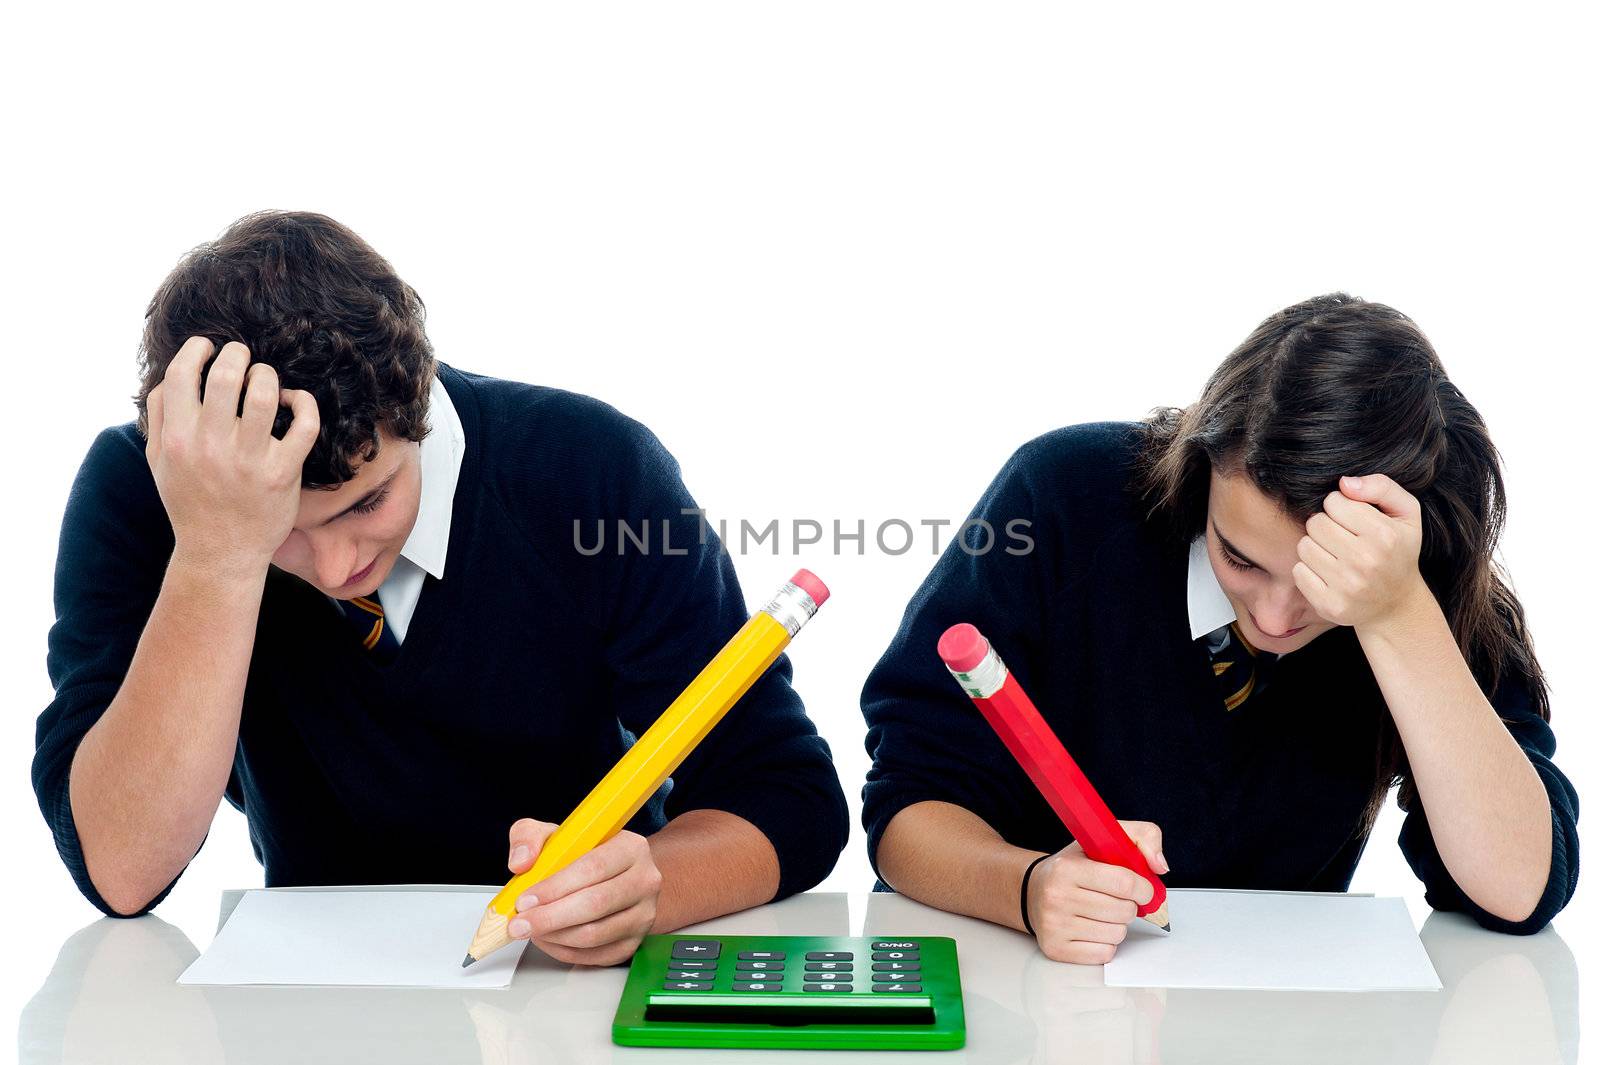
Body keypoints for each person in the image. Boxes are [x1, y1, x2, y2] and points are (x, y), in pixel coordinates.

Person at [33, 210, 848, 965]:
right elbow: (119, 869)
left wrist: (648, 890)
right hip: (310, 1001)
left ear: (420, 402)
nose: (333, 566)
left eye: (370, 500)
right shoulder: (146, 496)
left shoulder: (590, 468)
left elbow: (789, 796)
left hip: (574, 995)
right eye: (282, 530)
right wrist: (217, 554)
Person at [860, 293, 1579, 963]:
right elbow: (903, 810)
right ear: (1202, 475)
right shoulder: (1062, 494)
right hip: (1027, 991)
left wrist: (1396, 612)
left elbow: (1517, 891)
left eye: (1322, 586)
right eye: (1239, 558)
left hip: (1274, 1025)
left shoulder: (1425, 591)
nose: (1272, 619)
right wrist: (1027, 886)